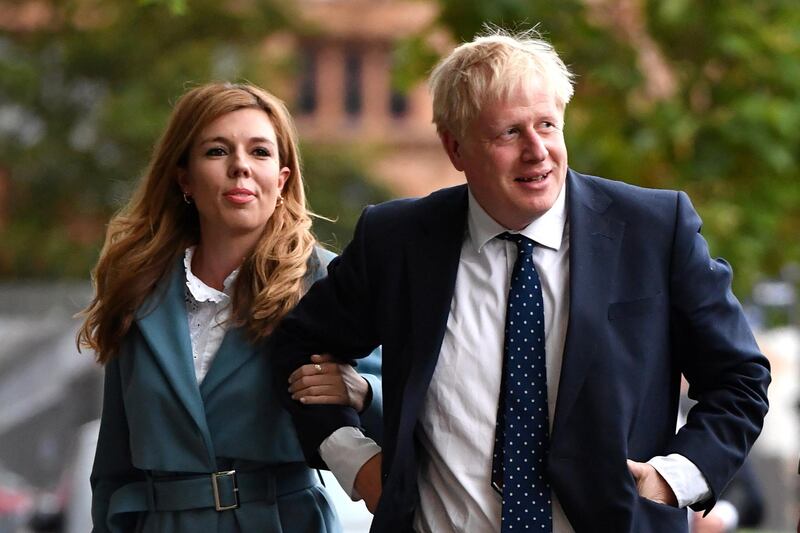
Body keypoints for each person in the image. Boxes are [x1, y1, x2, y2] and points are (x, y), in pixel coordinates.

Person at [271, 28, 771, 533]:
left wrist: (675, 477)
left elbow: (739, 380)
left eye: (548, 125)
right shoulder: (397, 240)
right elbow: (299, 343)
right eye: (509, 132)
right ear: (455, 147)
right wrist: (356, 462)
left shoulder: (654, 229)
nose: (538, 151)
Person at [77, 82, 382, 533]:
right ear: (184, 177)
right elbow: (113, 466)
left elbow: (411, 400)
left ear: (281, 179)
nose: (240, 167)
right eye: (217, 151)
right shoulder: (137, 289)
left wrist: (363, 391)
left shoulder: (325, 281)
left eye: (259, 152)